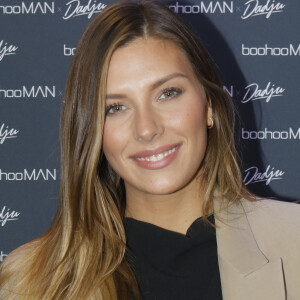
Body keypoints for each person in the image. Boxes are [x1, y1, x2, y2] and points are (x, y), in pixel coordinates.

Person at [1, 1, 299, 299]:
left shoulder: (293, 243)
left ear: (209, 105)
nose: (147, 128)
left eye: (168, 93)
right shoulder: (29, 283)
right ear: (92, 130)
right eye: (115, 107)